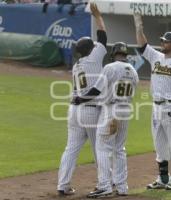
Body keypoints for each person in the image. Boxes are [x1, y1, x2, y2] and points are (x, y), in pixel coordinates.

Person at [133, 14, 171, 190]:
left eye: (165, 41)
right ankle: (163, 178)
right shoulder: (156, 57)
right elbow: (143, 45)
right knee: (160, 147)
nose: (162, 43)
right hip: (156, 107)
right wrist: (139, 27)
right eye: (162, 41)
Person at [56, 3, 107, 196]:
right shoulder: (94, 58)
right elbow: (103, 36)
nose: (96, 46)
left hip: (74, 110)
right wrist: (97, 16)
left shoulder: (77, 65)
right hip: (90, 109)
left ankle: (63, 185)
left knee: (71, 149)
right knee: (99, 148)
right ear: (90, 49)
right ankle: (104, 183)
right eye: (93, 46)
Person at [86, 42, 139, 198]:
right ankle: (122, 187)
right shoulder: (133, 71)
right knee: (119, 149)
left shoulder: (110, 68)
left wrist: (81, 98)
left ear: (114, 53)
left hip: (111, 110)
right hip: (125, 110)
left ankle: (104, 186)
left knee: (102, 147)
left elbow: (96, 89)